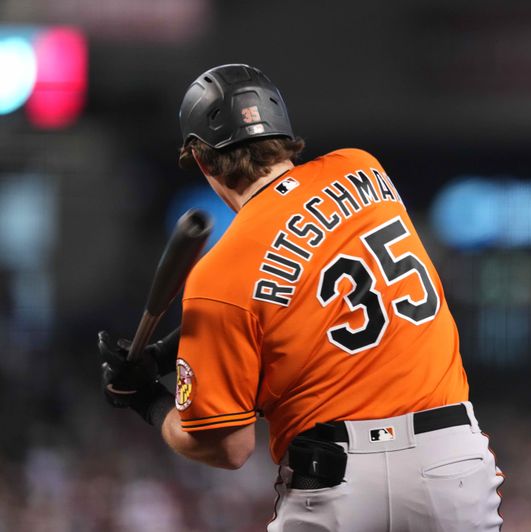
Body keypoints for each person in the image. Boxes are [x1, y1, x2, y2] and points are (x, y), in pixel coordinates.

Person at [98, 63, 503, 531]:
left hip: (338, 484)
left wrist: (149, 400)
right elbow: (316, 286)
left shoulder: (218, 278)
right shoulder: (361, 169)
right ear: (284, 134)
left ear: (202, 160)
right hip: (450, 464)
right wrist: (170, 351)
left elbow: (228, 448)